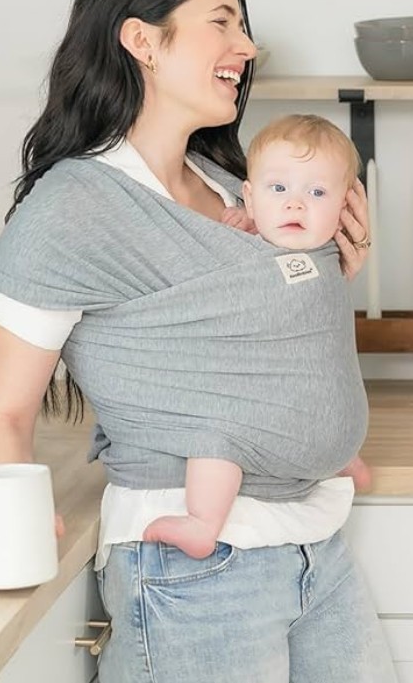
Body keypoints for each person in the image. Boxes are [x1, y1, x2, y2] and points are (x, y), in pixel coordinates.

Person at [0, 0, 396, 683]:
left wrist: (326, 270)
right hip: (193, 572)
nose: (246, 46)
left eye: (243, 26)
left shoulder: (234, 185)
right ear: (142, 41)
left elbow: (267, 342)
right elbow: (2, 411)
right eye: (222, 22)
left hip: (314, 544)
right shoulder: (74, 208)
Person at [142, 114, 374, 559]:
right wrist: (239, 234)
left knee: (215, 434)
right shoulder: (325, 253)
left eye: (317, 193)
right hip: (342, 428)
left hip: (296, 425)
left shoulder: (324, 249)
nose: (295, 205)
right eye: (279, 189)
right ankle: (343, 459)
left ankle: (202, 522)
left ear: (345, 207)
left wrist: (238, 238)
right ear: (249, 197)